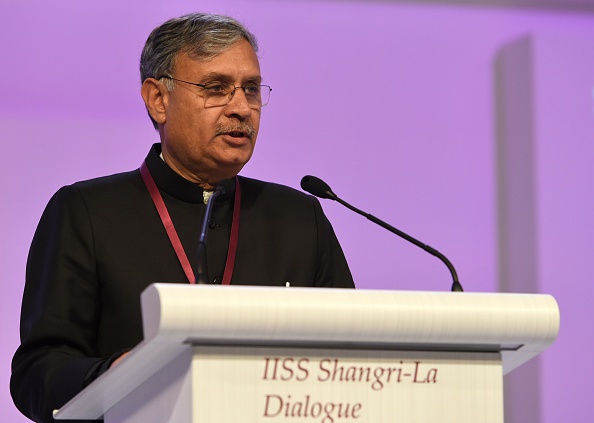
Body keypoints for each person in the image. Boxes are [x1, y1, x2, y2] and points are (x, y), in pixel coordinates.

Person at [11, 13, 354, 423]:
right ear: (159, 99)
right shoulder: (85, 211)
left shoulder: (301, 218)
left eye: (251, 89)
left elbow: (349, 357)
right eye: (216, 88)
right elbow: (37, 374)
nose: (242, 108)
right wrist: (115, 375)